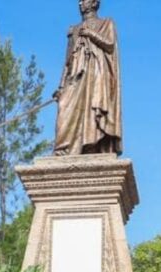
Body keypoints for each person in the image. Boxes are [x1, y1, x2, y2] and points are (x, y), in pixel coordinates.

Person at [53, 0, 122, 156]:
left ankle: (91, 146)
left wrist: (90, 33)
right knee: (64, 105)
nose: (80, 4)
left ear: (94, 3)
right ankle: (63, 149)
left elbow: (110, 44)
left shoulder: (106, 23)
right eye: (79, 1)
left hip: (96, 74)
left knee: (92, 108)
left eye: (84, 0)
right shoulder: (74, 29)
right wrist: (61, 87)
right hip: (75, 76)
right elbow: (67, 61)